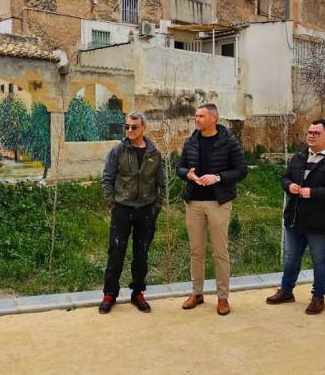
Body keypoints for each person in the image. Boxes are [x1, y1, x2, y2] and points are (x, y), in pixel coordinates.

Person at [266, 119, 325, 315]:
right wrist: (289, 186)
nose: (311, 136)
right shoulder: (299, 156)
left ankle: (318, 297)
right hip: (295, 217)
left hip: (322, 220)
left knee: (320, 259)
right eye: (309, 132)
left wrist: (315, 193)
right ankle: (286, 291)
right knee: (291, 257)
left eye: (316, 133)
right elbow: (285, 177)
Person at [177, 104, 248, 316]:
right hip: (194, 203)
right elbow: (179, 167)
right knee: (196, 251)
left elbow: (242, 170)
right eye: (196, 116)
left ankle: (223, 298)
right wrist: (187, 175)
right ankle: (197, 293)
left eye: (201, 116)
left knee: (220, 252)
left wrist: (218, 178)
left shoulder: (229, 142)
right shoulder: (191, 141)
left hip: (219, 203)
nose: (196, 119)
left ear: (213, 118)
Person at [99, 111, 165, 314]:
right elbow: (107, 178)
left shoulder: (154, 153)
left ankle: (138, 293)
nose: (129, 130)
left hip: (146, 210)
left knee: (141, 254)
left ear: (144, 128)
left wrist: (156, 206)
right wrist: (112, 204)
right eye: (126, 126)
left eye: (134, 127)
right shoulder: (118, 150)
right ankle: (110, 294)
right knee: (116, 252)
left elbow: (160, 183)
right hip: (122, 210)